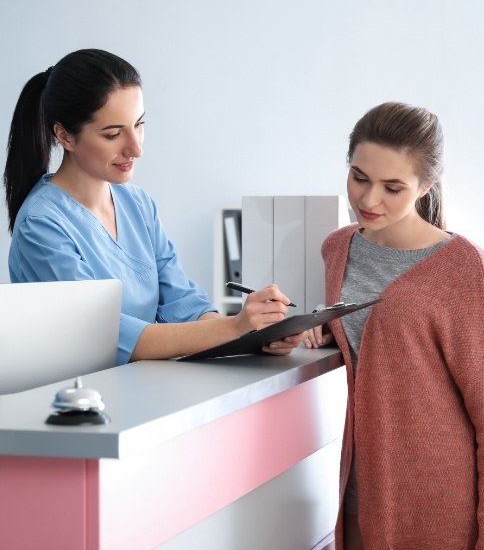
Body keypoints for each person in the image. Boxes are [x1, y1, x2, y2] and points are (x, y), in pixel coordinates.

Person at [3, 48, 305, 364]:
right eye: (113, 134)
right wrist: (236, 326)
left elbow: (184, 305)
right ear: (64, 136)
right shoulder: (41, 224)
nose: (136, 148)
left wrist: (257, 334)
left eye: (139, 124)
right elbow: (108, 338)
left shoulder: (138, 204)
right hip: (78, 404)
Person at [308, 102, 484, 549]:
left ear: (425, 185)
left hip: (435, 501)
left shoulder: (462, 269)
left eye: (392, 187)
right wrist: (318, 329)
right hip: (355, 488)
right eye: (359, 177)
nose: (368, 201)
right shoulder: (337, 249)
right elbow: (382, 345)